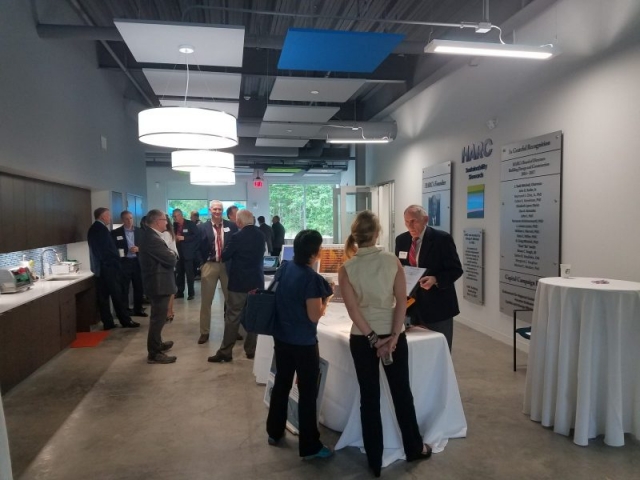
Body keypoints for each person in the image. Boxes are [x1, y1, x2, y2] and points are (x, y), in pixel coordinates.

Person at [339, 211, 431, 477]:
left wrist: (372, 339)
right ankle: (414, 447)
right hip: (393, 336)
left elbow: (353, 310)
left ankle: (375, 460)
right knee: (402, 393)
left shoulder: (347, 268)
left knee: (369, 399)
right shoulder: (392, 261)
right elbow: (401, 301)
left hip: (361, 338)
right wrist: (391, 338)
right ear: (377, 233)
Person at [266, 229, 333, 459]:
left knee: (282, 384)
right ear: (315, 252)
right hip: (303, 343)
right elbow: (315, 315)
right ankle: (310, 445)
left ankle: (274, 431)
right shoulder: (311, 279)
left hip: (281, 337)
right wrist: (327, 300)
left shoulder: (285, 267)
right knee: (307, 392)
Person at [395, 204, 463, 351]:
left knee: (438, 350)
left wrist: (436, 279)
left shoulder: (441, 239)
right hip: (410, 307)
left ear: (425, 219)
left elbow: (456, 269)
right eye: (406, 222)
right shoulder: (401, 240)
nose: (410, 225)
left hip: (438, 307)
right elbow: (399, 268)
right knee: (414, 350)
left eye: (414, 221)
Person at [208, 209, 264, 363]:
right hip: (257, 283)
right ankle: (251, 350)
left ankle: (226, 352)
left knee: (233, 317)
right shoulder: (261, 235)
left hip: (239, 283)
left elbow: (225, 256)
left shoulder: (237, 237)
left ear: (239, 222)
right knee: (254, 317)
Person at [87, 207, 140, 330]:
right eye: (108, 216)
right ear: (102, 217)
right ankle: (125, 320)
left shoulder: (94, 229)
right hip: (108, 269)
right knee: (118, 295)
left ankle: (108, 323)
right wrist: (116, 261)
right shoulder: (100, 230)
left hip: (101, 269)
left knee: (104, 297)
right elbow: (106, 251)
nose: (110, 218)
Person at [139, 210, 178, 364]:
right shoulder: (152, 238)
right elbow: (171, 259)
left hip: (158, 282)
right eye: (164, 220)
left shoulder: (151, 235)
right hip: (158, 284)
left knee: (159, 317)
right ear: (156, 221)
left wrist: (170, 253)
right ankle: (154, 353)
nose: (166, 222)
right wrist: (172, 254)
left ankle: (157, 344)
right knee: (158, 318)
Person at [197, 200, 238, 344]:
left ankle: (233, 331)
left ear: (222, 211)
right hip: (210, 265)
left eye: (219, 209)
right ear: (210, 210)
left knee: (231, 301)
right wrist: (202, 265)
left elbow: (236, 246)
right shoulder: (202, 227)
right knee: (206, 301)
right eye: (215, 209)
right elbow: (197, 247)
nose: (217, 212)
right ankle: (204, 332)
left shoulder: (231, 226)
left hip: (227, 266)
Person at [111, 210, 146, 317]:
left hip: (137, 261)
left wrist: (139, 248)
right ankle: (125, 310)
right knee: (124, 287)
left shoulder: (140, 231)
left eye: (131, 218)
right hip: (124, 262)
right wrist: (122, 252)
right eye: (126, 218)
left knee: (139, 286)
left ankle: (138, 309)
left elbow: (147, 246)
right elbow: (112, 248)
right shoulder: (115, 233)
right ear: (122, 220)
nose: (129, 220)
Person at [172, 208, 199, 300]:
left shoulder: (190, 224)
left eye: (176, 216)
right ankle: (180, 292)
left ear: (181, 215)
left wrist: (184, 238)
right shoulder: (174, 225)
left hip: (188, 253)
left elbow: (197, 236)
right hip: (178, 253)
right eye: (173, 217)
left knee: (189, 274)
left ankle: (191, 293)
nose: (175, 218)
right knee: (179, 273)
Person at [161, 215, 178, 323]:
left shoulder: (166, 234)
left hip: (167, 264)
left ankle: (169, 312)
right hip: (171, 264)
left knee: (169, 290)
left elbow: (164, 248)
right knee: (170, 289)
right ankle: (170, 312)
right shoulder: (169, 233)